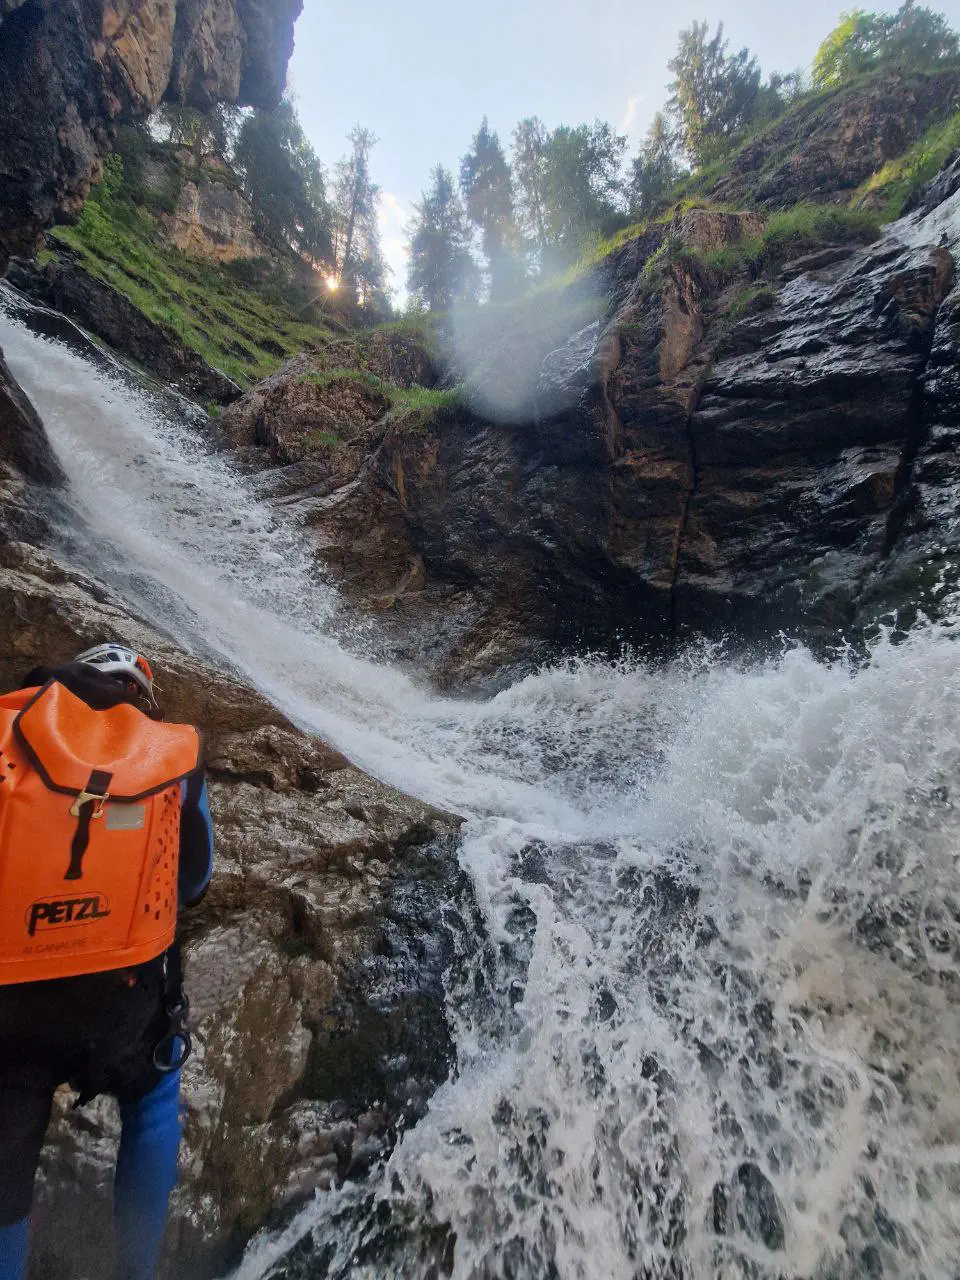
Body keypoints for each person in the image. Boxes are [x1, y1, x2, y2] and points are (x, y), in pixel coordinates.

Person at [0, 643, 214, 1280]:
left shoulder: (10, 730)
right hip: (122, 997)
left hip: (11, 995)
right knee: (152, 1098)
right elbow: (195, 878)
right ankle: (137, 1271)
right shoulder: (169, 751)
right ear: (136, 693)